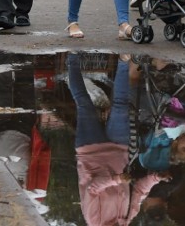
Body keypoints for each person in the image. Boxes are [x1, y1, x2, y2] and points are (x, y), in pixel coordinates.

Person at [68, 53, 166, 226]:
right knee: (121, 105)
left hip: (90, 152)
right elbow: (139, 191)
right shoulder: (127, 219)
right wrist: (156, 178)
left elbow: (92, 189)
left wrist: (116, 180)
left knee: (84, 103)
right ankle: (123, 61)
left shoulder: (94, 221)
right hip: (118, 150)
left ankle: (73, 59)